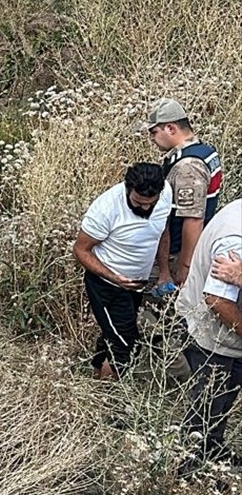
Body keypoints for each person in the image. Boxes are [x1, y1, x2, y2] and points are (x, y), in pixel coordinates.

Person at [74, 163, 172, 379]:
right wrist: (114, 277)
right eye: (138, 202)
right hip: (106, 285)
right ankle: (108, 397)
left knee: (114, 334)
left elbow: (162, 231)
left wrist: (164, 271)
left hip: (137, 285)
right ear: (127, 189)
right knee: (126, 344)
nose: (145, 209)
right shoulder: (106, 209)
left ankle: (98, 377)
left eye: (151, 204)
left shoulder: (166, 195)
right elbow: (80, 250)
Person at [174, 197, 242, 467]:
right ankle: (189, 468)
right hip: (215, 339)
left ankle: (211, 450)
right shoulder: (235, 238)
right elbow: (218, 300)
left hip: (229, 339)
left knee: (222, 401)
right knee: (208, 405)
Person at [139, 97, 223, 286]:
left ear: (170, 128)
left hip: (178, 253)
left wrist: (185, 268)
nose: (151, 138)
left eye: (154, 132)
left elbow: (193, 219)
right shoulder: (204, 150)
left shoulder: (188, 165)